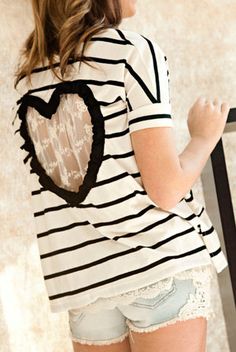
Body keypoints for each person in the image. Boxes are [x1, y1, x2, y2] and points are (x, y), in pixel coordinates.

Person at [13, 0, 230, 351]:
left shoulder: (29, 77)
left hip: (85, 286)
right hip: (158, 266)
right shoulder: (133, 53)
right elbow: (166, 190)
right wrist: (203, 138)